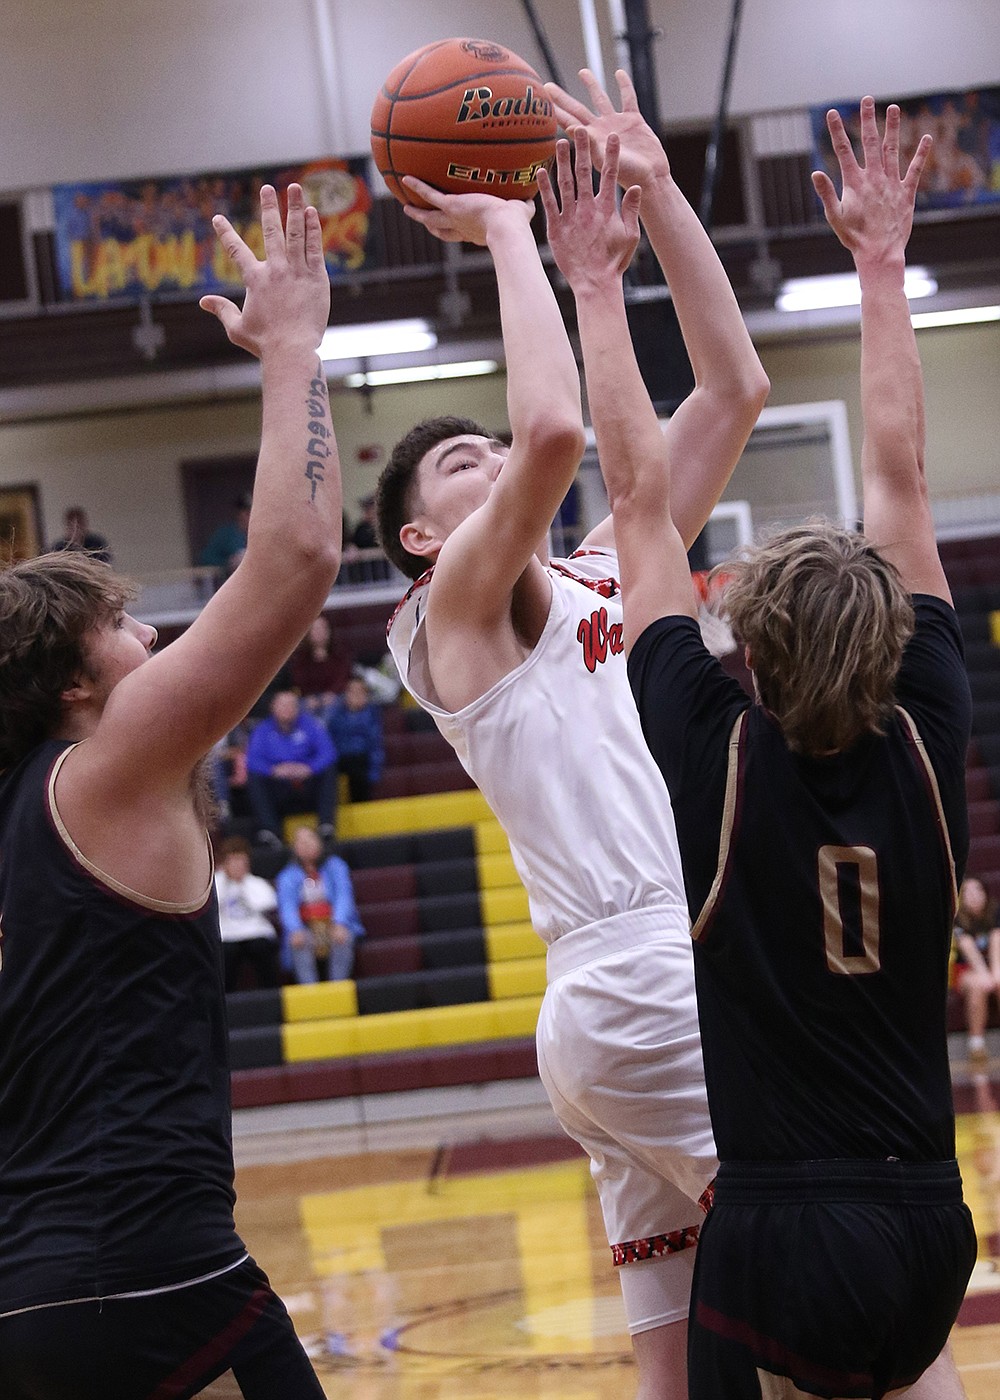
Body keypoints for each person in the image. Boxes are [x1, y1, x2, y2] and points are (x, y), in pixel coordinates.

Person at [377, 70, 769, 1398]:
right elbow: (552, 424)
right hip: (643, 973)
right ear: (423, 540)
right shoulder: (448, 620)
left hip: (638, 986)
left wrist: (656, 198)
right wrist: (504, 228)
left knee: (671, 1355)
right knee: (825, 1277)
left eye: (481, 449)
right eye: (457, 467)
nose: (492, 457)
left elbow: (732, 388)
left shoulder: (608, 570)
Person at [596, 95, 974, 1398]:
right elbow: (904, 483)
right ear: (891, 639)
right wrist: (879, 265)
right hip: (929, 1222)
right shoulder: (928, 741)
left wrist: (599, 285)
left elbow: (641, 501)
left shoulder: (718, 761)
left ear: (739, 651)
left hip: (777, 1236)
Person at [0, 183, 340, 1397]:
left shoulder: (22, 814)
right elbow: (296, 557)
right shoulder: (101, 769)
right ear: (73, 687)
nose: (152, 636)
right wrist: (294, 346)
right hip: (149, 1277)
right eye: (123, 626)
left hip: (35, 1283)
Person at [245, 688, 338, 845]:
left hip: (307, 784)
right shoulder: (262, 730)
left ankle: (326, 826)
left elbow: (329, 752)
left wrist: (309, 768)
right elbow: (253, 760)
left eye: (291, 704)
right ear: (273, 707)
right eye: (282, 705)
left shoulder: (311, 725)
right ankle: (270, 831)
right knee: (255, 776)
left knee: (328, 769)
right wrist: (274, 770)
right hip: (280, 787)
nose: (287, 709)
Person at [275, 825, 364, 982]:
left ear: (319, 842)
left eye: (310, 839)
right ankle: (310, 992)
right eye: (301, 842)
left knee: (343, 937)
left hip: (333, 923)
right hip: (306, 926)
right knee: (297, 941)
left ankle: (338, 987)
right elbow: (287, 907)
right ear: (294, 848)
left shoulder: (336, 866)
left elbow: (344, 896)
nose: (306, 844)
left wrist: (340, 923)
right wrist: (295, 929)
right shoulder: (287, 876)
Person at [215, 834, 281, 992]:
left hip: (255, 932)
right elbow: (214, 903)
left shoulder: (256, 883)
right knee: (227, 954)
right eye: (233, 861)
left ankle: (271, 997)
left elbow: (266, 904)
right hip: (228, 935)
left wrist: (242, 885)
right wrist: (225, 879)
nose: (238, 866)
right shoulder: (216, 882)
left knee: (261, 948)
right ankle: (227, 1001)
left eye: (241, 861)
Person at [953, 875, 1000, 1064]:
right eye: (968, 892)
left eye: (978, 890)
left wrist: (995, 973)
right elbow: (969, 951)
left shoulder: (995, 912)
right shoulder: (958, 919)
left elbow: (997, 943)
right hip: (966, 970)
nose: (974, 896)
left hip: (994, 966)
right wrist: (985, 975)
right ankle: (976, 1045)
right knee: (977, 985)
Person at [325, 673, 384, 802]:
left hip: (360, 757)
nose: (356, 695)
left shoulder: (371, 714)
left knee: (360, 769)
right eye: (352, 691)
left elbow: (375, 745)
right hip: (338, 757)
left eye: (360, 691)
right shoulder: (335, 713)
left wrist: (374, 771)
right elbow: (328, 739)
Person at [289, 612, 353, 709]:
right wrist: (308, 696)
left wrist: (332, 693)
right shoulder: (300, 658)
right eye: (315, 629)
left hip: (335, 696)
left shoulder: (339, 655)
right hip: (308, 698)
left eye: (322, 629)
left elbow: (343, 677)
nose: (319, 633)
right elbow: (298, 680)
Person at [198, 492, 252, 579]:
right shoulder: (226, 534)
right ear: (239, 513)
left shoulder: (261, 533)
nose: (250, 516)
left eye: (253, 512)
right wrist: (227, 562)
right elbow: (205, 558)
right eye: (247, 513)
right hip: (233, 582)